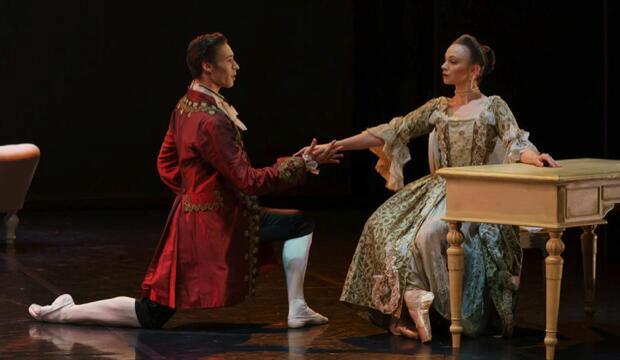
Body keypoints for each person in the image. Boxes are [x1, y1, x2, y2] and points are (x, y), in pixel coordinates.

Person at [29, 32, 341, 330]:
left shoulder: (186, 105)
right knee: (151, 313)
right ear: (208, 65)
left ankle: (297, 307)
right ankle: (65, 313)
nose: (236, 66)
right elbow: (248, 180)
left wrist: (195, 194)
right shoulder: (211, 120)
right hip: (213, 225)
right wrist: (303, 162)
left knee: (298, 223)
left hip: (205, 215)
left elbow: (166, 162)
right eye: (229, 60)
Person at [308, 34, 560, 342]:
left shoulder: (493, 106)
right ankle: (411, 302)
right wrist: (333, 146)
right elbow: (392, 130)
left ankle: (437, 308)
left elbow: (514, 140)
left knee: (429, 233)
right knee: (382, 224)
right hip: (436, 189)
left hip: (477, 192)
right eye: (445, 60)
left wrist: (535, 157)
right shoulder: (439, 107)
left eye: (453, 62)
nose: (444, 66)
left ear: (474, 71)